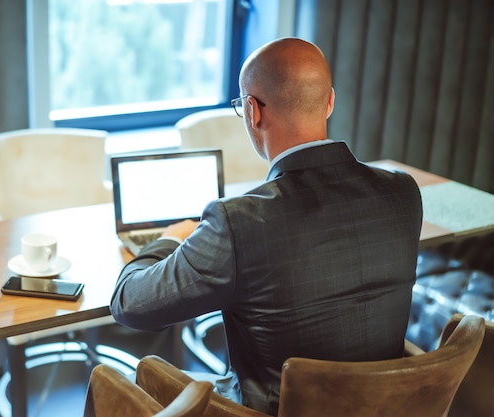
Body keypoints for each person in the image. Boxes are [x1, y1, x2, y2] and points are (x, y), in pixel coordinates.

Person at [110, 37, 422, 416]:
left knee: (112, 378)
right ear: (329, 102)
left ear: (253, 111)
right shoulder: (402, 193)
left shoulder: (237, 221)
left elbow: (129, 304)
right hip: (383, 406)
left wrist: (165, 241)